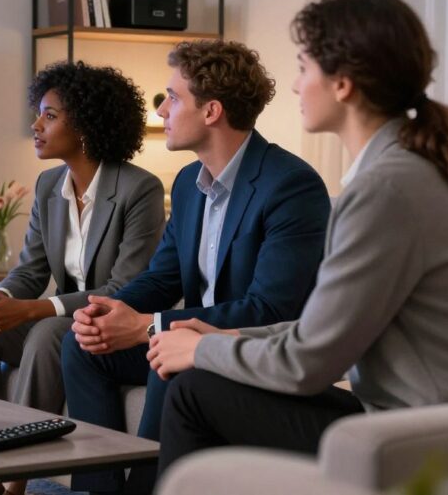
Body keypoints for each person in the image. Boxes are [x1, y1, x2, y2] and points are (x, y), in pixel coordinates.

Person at [149, 0, 448, 483]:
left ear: (343, 85)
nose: (294, 85)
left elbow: (309, 363)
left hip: (409, 433)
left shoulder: (385, 188)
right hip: (411, 419)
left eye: (303, 67)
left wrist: (202, 351)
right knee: (198, 373)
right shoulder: (399, 169)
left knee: (194, 388)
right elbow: (322, 329)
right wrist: (225, 335)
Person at [61, 40, 332, 495]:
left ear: (212, 112)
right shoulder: (188, 182)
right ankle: (99, 489)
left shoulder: (291, 186)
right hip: (187, 336)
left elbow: (270, 308)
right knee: (82, 346)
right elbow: (164, 276)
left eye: (173, 96)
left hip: (246, 349)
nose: (162, 109)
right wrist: (108, 311)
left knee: (173, 355)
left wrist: (151, 326)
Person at [0, 61, 166, 495]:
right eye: (39, 113)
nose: (36, 125)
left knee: (49, 331)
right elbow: (30, 272)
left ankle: (15, 480)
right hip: (62, 316)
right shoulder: (49, 185)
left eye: (49, 115)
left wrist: (33, 308)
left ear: (86, 123)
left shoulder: (138, 189)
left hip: (106, 323)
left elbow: (123, 287)